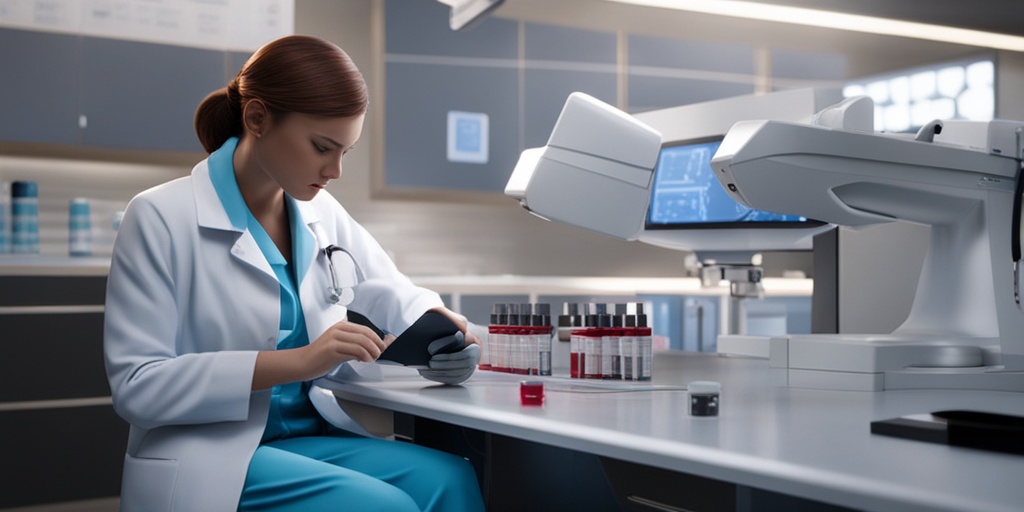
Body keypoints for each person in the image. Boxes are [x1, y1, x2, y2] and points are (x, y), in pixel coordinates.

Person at [103, 34, 485, 512]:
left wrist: (447, 333)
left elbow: (389, 289)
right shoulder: (160, 215)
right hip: (208, 450)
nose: (335, 170)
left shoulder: (320, 211)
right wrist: (303, 361)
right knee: (385, 506)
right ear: (257, 118)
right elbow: (138, 386)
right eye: (323, 147)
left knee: (450, 479)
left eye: (345, 151)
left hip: (309, 436)